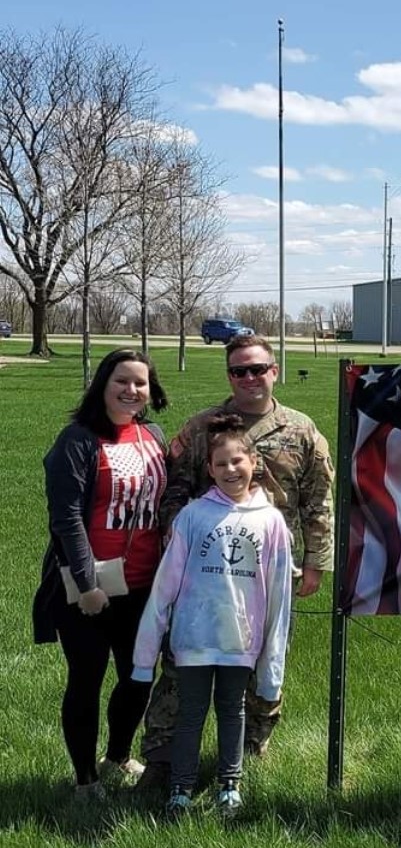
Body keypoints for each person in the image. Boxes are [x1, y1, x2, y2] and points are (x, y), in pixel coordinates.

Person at [138, 334, 333, 787]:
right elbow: (175, 488)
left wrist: (317, 561)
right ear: (229, 375)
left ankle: (249, 750)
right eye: (239, 371)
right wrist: (175, 538)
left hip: (266, 572)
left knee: (264, 652)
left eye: (258, 369)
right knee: (181, 662)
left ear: (274, 371)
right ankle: (163, 757)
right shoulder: (204, 427)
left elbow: (318, 500)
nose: (250, 378)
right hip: (204, 573)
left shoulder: (301, 430)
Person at [132, 414, 293, 816]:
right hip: (194, 641)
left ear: (254, 462)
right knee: (190, 714)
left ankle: (229, 786)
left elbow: (278, 595)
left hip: (240, 641)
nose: (230, 470)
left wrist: (272, 667)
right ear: (209, 470)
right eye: (220, 464)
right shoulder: (192, 517)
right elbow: (164, 588)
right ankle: (180, 790)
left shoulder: (271, 522)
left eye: (237, 461)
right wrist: (144, 657)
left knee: (232, 711)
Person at [32, 349, 168, 800]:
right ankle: (85, 780)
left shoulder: (153, 435)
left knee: (137, 675)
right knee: (86, 678)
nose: (132, 390)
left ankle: (118, 755)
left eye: (140, 383)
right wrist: (87, 584)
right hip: (88, 588)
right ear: (103, 386)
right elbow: (66, 517)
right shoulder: (77, 439)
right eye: (121, 382)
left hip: (145, 584)